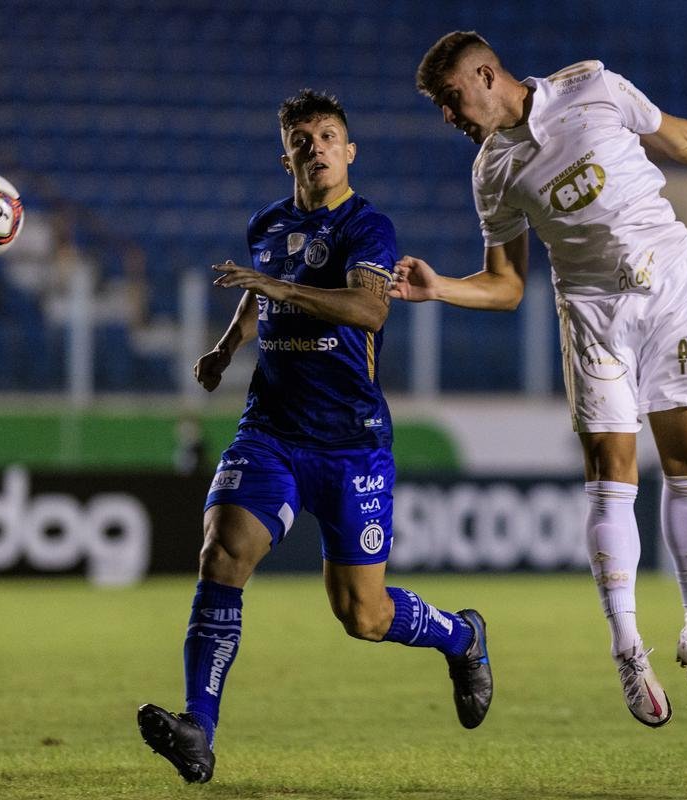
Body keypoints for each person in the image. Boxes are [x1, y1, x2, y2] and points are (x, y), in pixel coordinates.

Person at [391, 32, 687, 728]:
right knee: (612, 474)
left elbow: (680, 139)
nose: (450, 117)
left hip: (670, 290)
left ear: (486, 75)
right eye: (441, 107)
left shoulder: (591, 87)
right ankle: (628, 648)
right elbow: (506, 284)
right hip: (591, 314)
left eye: (452, 99)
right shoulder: (491, 172)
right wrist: (441, 289)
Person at [137, 89, 492, 784]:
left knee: (363, 615)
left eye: (329, 136)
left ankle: (463, 637)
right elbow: (258, 293)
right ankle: (198, 729)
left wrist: (279, 288)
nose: (317, 148)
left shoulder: (368, 227)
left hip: (351, 442)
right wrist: (225, 347)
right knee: (222, 553)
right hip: (270, 431)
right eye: (303, 140)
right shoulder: (267, 224)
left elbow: (368, 308)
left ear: (349, 151)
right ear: (287, 157)